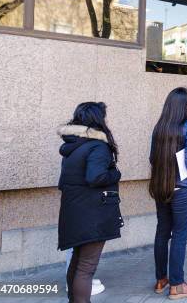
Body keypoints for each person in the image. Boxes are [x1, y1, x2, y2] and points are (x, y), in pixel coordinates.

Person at [57, 102, 123, 303]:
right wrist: (115, 173)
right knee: (86, 267)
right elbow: (96, 177)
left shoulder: (73, 147)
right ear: (97, 120)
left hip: (74, 213)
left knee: (77, 263)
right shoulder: (97, 146)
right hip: (93, 214)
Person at [149, 87, 187, 299]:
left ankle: (161, 279)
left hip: (161, 187)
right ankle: (177, 285)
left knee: (162, 233)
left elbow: (152, 159)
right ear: (185, 106)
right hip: (183, 190)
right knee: (179, 237)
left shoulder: (159, 128)